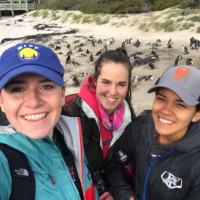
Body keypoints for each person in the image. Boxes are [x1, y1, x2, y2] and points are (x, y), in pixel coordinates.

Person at [0, 42, 98, 200]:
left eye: (46, 86)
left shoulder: (73, 139)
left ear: (62, 95)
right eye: (17, 89)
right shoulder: (3, 161)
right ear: (1, 101)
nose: (33, 102)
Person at [107, 65, 200, 200]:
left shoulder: (196, 162)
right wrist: (125, 195)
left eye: (180, 104)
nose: (166, 110)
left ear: (197, 114)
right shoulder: (139, 128)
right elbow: (114, 166)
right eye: (161, 99)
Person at [62, 48, 136, 199]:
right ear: (95, 80)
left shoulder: (129, 118)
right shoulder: (72, 115)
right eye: (106, 82)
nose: (113, 91)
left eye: (121, 84)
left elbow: (119, 164)